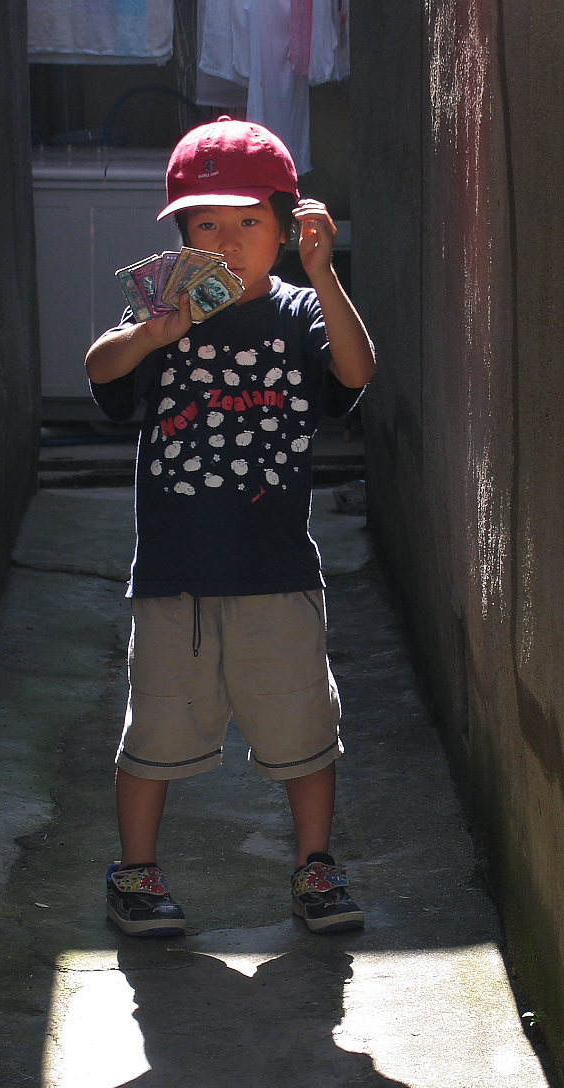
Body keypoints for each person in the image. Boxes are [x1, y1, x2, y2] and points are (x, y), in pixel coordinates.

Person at [85, 115, 376, 938]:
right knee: (154, 732)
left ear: (286, 230)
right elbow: (100, 368)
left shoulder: (302, 311)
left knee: (304, 731)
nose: (229, 239)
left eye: (249, 220)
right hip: (173, 578)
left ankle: (315, 866)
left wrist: (325, 275)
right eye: (206, 223)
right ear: (182, 237)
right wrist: (153, 333)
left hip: (278, 574)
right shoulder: (163, 311)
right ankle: (136, 874)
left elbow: (356, 372)